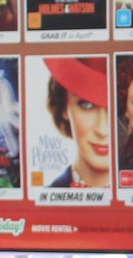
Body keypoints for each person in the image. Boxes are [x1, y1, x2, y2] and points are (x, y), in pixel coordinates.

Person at [45, 56, 111, 189]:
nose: (103, 130)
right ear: (64, 107)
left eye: (116, 106)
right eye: (86, 104)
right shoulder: (44, 200)